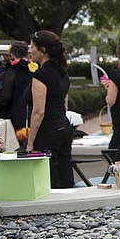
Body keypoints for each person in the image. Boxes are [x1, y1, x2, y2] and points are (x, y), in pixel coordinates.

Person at [25, 30, 74, 188]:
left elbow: (39, 112)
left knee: (49, 177)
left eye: (32, 47)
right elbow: (64, 104)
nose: (30, 50)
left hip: (48, 131)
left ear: (43, 50)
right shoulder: (62, 73)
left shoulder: (41, 75)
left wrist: (30, 142)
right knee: (64, 170)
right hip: (63, 127)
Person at [0, 41, 34, 132]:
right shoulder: (34, 68)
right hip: (34, 112)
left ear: (12, 54)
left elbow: (5, 97)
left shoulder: (12, 71)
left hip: (18, 113)